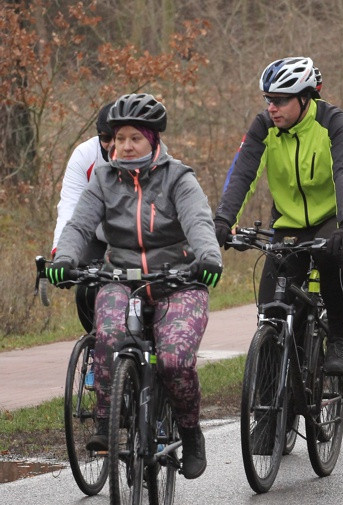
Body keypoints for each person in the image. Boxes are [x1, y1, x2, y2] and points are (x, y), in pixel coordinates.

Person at [47, 93, 223, 480]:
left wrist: (209, 258)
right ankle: (107, 424)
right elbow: (79, 225)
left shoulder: (179, 177)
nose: (125, 146)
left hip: (177, 282)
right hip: (120, 279)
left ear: (153, 140)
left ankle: (191, 432)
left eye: (134, 139)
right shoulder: (104, 179)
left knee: (175, 359)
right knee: (107, 337)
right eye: (119, 137)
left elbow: (199, 222)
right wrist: (64, 260)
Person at [214, 56, 343, 375]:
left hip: (329, 218)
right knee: (272, 313)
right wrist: (224, 219)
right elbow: (243, 174)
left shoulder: (333, 123)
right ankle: (270, 412)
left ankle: (338, 334)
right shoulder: (264, 126)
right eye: (268, 99)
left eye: (280, 100)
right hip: (288, 224)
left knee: (332, 258)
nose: (272, 107)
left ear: (304, 98)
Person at [51, 102, 115, 333]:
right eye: (105, 138)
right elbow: (69, 206)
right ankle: (95, 345)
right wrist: (62, 254)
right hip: (98, 233)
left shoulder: (143, 151)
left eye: (117, 136)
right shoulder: (85, 155)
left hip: (138, 234)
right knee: (87, 289)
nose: (112, 145)